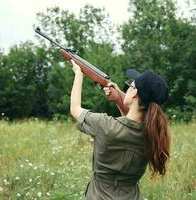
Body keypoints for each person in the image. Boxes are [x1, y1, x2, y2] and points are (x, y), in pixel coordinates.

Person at [70, 59, 170, 200]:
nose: (127, 87)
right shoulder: (153, 135)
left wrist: (78, 75)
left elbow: (75, 109)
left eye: (130, 85)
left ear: (134, 94)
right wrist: (118, 98)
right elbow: (131, 123)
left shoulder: (105, 125)